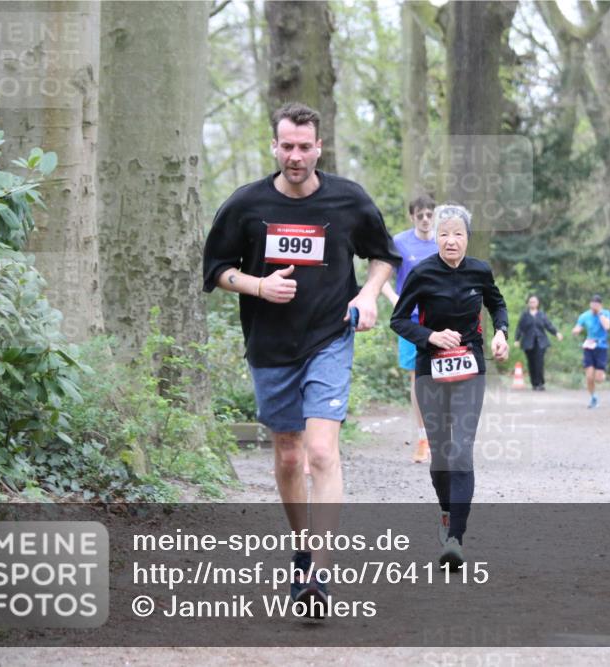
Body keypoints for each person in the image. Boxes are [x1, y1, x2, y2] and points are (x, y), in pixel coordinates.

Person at [202, 102, 401, 617]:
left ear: (319, 147)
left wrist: (368, 295)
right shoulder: (246, 205)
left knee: (320, 452)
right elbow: (217, 269)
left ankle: (320, 572)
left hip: (330, 337)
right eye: (286, 146)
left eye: (304, 147)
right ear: (274, 147)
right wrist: (257, 285)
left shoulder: (348, 200)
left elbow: (383, 257)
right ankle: (303, 548)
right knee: (288, 455)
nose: (296, 156)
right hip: (270, 346)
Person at [390, 204, 509, 570]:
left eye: (457, 234)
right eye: (444, 234)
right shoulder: (422, 273)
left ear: (467, 238)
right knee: (441, 455)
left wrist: (501, 333)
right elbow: (399, 320)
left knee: (460, 451)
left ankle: (456, 538)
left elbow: (497, 304)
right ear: (436, 238)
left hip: (471, 368)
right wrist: (431, 336)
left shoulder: (480, 270)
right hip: (431, 370)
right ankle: (446, 512)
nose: (450, 240)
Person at [382, 195, 437, 462]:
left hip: (443, 318)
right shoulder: (400, 242)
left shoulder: (445, 240)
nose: (425, 219)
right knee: (419, 378)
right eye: (420, 215)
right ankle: (423, 438)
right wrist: (396, 301)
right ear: (412, 217)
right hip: (412, 320)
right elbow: (380, 277)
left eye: (429, 214)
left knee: (444, 378)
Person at [514, 294, 563, 390]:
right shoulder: (525, 315)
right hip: (528, 342)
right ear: (528, 303)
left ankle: (540, 383)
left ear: (538, 303)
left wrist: (556, 333)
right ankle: (534, 383)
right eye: (530, 302)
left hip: (541, 342)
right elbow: (520, 328)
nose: (532, 303)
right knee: (531, 362)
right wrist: (516, 339)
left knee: (539, 362)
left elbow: (548, 325)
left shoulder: (542, 314)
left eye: (534, 301)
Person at [571, 295, 610, 408]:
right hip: (589, 346)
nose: (594, 307)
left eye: (596, 305)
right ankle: (593, 397)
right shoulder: (584, 315)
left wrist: (599, 314)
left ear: (600, 305)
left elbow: (607, 327)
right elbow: (578, 327)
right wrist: (575, 331)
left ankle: (602, 375)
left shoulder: (606, 313)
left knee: (598, 379)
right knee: (589, 376)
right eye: (592, 304)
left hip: (601, 346)